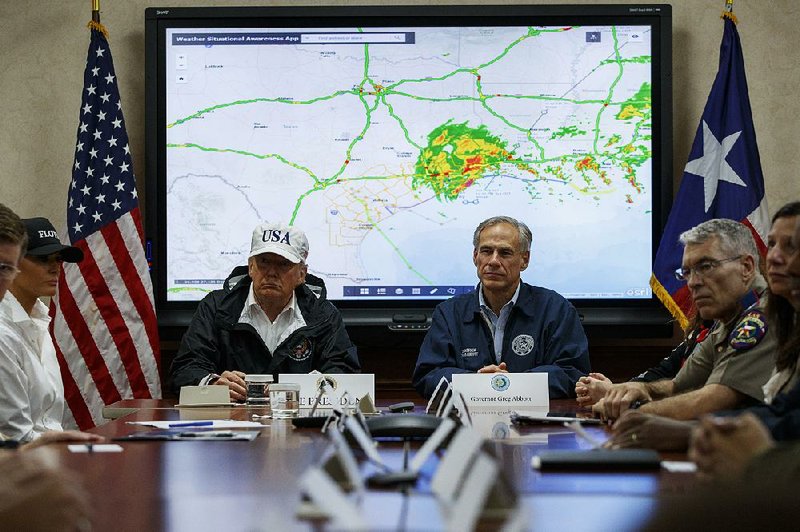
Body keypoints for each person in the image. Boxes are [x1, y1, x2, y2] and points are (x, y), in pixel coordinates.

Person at [608, 204, 800, 450]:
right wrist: (637, 390)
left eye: (706, 266)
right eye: (687, 272)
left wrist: (636, 414)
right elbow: (679, 385)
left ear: (747, 267)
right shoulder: (727, 320)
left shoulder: (761, 317)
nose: (693, 283)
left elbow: (718, 399)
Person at [170, 222, 360, 401]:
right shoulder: (216, 307)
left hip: (297, 423)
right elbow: (185, 369)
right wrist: (213, 384)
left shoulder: (323, 315)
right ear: (251, 267)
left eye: (283, 264)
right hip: (233, 422)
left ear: (302, 273)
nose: (271, 272)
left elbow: (344, 372)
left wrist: (301, 389)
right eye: (263, 262)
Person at [412, 215, 590, 399]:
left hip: (535, 423)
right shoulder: (449, 313)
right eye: (486, 251)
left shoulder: (556, 309)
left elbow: (573, 372)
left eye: (505, 253)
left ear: (524, 260)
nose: (494, 261)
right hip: (466, 423)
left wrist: (511, 385)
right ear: (475, 256)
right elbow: (428, 375)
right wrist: (476, 383)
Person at [0, 217, 85, 442]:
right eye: (41, 259)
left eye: (57, 259)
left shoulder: (38, 319)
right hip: (19, 465)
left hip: (48, 455)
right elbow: (14, 436)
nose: (54, 268)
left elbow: (50, 422)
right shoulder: (3, 332)